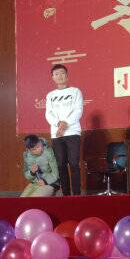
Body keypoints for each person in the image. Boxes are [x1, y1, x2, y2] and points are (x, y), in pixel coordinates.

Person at [45, 64, 83, 196]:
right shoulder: (50, 95)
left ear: (67, 75)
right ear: (52, 77)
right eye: (56, 74)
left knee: (74, 164)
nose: (59, 76)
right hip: (57, 134)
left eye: (62, 73)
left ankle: (77, 195)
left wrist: (64, 124)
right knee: (61, 164)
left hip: (73, 132)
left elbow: (78, 110)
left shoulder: (75, 91)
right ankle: (66, 195)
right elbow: (48, 113)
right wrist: (58, 124)